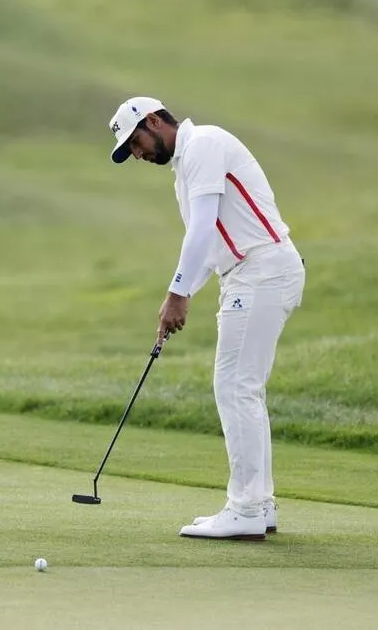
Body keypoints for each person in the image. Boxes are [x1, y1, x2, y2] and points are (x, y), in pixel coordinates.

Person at [107, 97, 306, 540]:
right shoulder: (186, 166)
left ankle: (248, 507)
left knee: (236, 387)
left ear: (154, 121)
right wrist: (179, 297)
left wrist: (176, 295)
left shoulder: (205, 144)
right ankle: (259, 504)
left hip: (262, 271)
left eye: (136, 142)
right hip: (248, 275)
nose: (137, 154)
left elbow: (201, 229)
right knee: (240, 388)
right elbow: (207, 243)